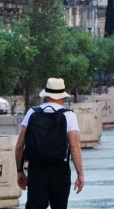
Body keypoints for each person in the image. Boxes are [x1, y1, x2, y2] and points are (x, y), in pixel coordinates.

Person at [15, 77, 83, 209]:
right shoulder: (69, 115)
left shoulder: (32, 113)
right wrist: (80, 174)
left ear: (46, 95)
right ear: (63, 97)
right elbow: (74, 148)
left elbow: (19, 146)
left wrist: (20, 171)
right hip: (60, 170)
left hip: (37, 170)